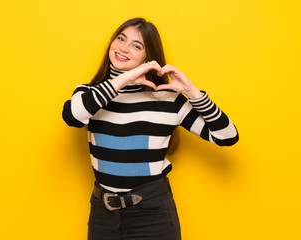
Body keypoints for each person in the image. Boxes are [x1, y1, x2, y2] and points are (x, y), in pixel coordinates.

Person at [62, 17, 239, 240]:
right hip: (103, 214)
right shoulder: (91, 94)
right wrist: (126, 79)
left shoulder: (166, 99)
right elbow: (72, 117)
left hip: (152, 214)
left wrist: (193, 92)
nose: (124, 48)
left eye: (137, 46)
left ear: (148, 58)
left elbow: (227, 136)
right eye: (121, 39)